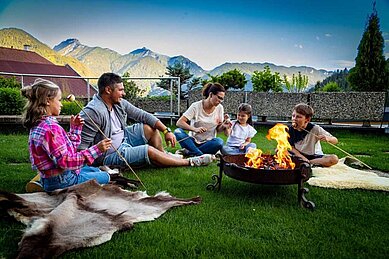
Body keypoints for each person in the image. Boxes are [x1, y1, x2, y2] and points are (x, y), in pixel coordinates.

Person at [79, 72, 213, 168]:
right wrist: (93, 166)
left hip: (124, 138)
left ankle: (164, 156)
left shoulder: (119, 103)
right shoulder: (93, 112)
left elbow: (143, 115)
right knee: (147, 150)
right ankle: (191, 162)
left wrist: (166, 130)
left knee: (149, 128)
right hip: (110, 154)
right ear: (108, 90)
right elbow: (81, 147)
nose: (123, 93)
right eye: (121, 90)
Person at [21, 78, 112, 192]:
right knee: (106, 177)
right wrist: (96, 149)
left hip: (51, 177)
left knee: (94, 171)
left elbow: (65, 152)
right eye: (59, 100)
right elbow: (66, 161)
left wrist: (75, 129)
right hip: (62, 180)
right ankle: (55, 191)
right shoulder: (51, 129)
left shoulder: (40, 124)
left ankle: (44, 185)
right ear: (47, 101)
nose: (61, 104)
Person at [174, 82, 229, 157]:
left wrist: (224, 125)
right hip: (192, 141)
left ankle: (191, 152)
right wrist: (194, 129)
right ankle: (200, 155)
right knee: (177, 132)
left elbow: (218, 129)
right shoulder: (196, 106)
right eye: (219, 98)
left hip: (208, 143)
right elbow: (179, 122)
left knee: (219, 142)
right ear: (211, 95)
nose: (220, 101)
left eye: (222, 99)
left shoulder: (220, 108)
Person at [288, 103, 339, 167]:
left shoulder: (315, 128)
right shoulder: (290, 129)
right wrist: (302, 157)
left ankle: (308, 163)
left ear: (307, 119)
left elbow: (335, 140)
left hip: (313, 156)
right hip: (298, 155)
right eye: (293, 116)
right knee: (279, 151)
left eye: (298, 117)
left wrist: (328, 138)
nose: (294, 119)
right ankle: (304, 163)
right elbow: (291, 147)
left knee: (334, 159)